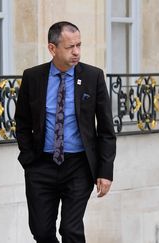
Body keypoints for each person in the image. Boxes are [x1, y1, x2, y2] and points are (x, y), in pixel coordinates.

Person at [15, 21, 116, 243]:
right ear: (52, 48)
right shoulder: (33, 77)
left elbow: (106, 129)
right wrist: (28, 159)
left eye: (79, 45)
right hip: (41, 166)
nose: (77, 52)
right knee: (41, 232)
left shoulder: (93, 76)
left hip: (78, 166)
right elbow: (21, 122)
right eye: (70, 47)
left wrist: (105, 170)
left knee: (71, 231)